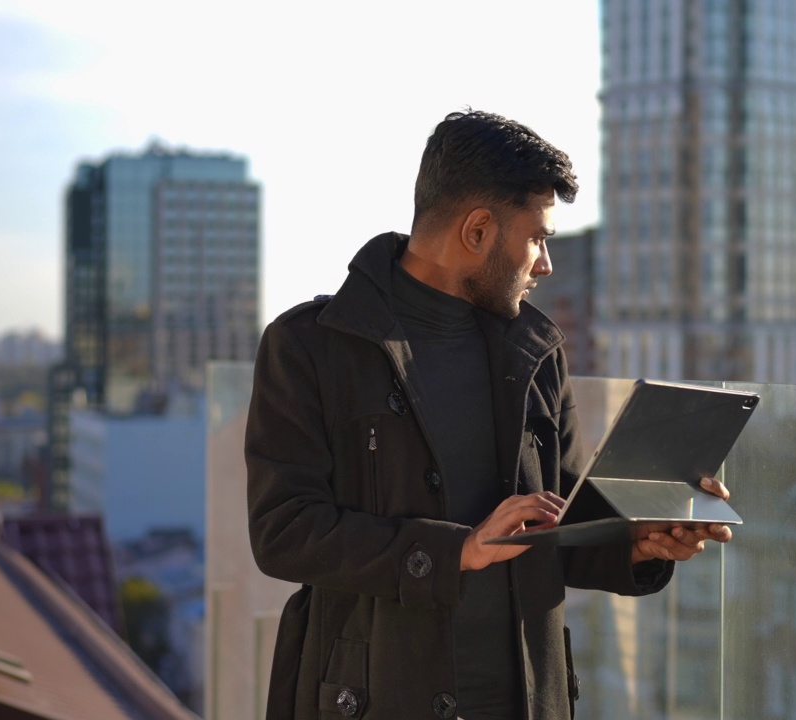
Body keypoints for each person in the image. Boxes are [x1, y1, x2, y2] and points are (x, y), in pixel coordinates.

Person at [245, 110, 733, 720]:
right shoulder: (311, 345)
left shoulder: (536, 350)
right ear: (477, 231)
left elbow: (560, 524)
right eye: (539, 239)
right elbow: (284, 533)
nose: (545, 264)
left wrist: (640, 540)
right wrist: (459, 550)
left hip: (526, 698)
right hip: (375, 699)